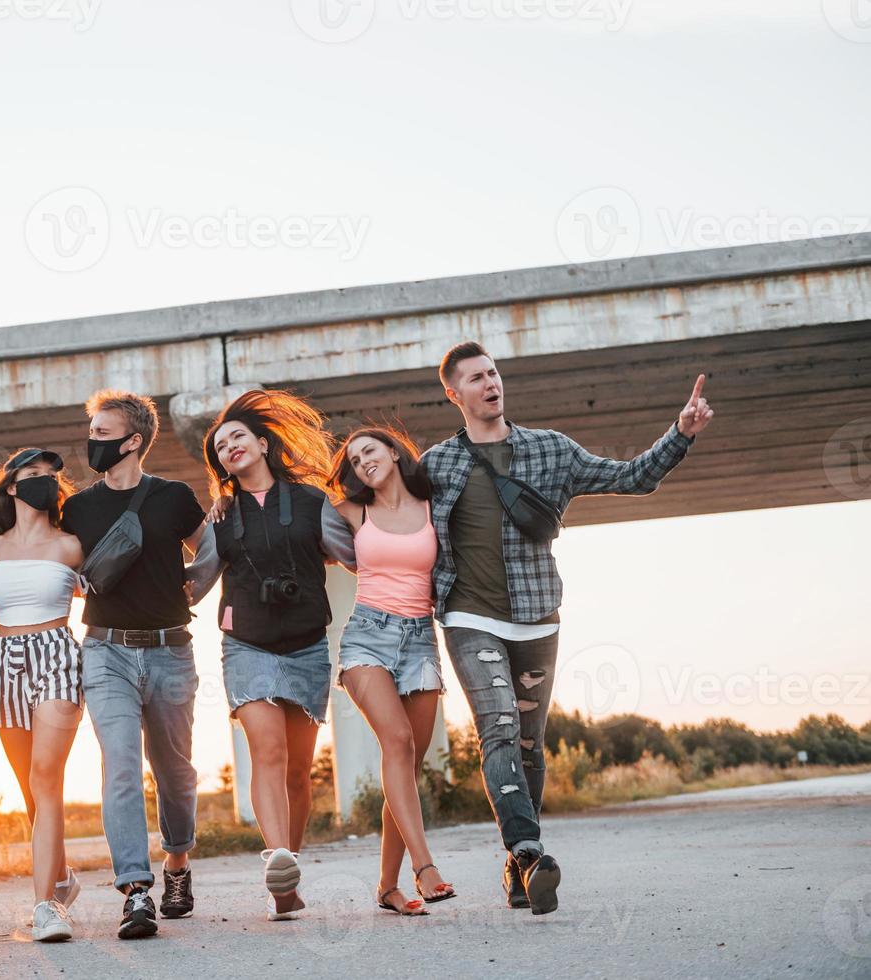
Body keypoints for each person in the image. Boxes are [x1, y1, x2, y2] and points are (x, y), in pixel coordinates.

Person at [425, 341, 714, 916]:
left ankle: (516, 866)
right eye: (476, 378)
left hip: (537, 617)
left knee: (531, 744)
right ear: (453, 394)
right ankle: (529, 850)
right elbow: (381, 511)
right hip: (467, 617)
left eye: (494, 373)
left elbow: (633, 478)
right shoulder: (436, 464)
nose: (490, 384)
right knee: (500, 727)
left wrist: (679, 434)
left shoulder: (551, 449)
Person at [190, 388, 355, 922]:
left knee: (298, 774)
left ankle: (288, 872)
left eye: (238, 436)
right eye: (220, 445)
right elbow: (196, 583)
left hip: (307, 644)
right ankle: (277, 857)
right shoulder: (222, 516)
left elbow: (354, 556)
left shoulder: (312, 502)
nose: (230, 446)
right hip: (247, 644)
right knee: (269, 752)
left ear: (262, 443)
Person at [60, 390, 207, 940]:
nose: (92, 442)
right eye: (92, 431)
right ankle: (136, 891)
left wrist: (197, 586)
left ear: (134, 441)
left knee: (176, 775)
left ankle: (176, 865)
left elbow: (209, 547)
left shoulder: (173, 497)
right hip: (105, 652)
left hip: (171, 652)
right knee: (119, 765)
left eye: (103, 434)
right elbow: (65, 564)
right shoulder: (76, 508)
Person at [330, 426, 452, 916]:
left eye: (369, 451)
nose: (363, 462)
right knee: (397, 743)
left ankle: (387, 888)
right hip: (366, 637)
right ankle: (425, 869)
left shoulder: (432, 507)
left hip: (421, 639)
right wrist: (228, 504)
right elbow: (287, 510)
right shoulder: (352, 511)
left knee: (405, 765)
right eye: (355, 460)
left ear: (395, 452)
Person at [0, 447, 85, 942]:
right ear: (12, 487)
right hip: (4, 659)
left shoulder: (71, 545)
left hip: (56, 653)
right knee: (29, 787)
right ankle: (61, 879)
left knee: (46, 777)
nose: (45, 481)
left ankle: (46, 906)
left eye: (51, 476)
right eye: (33, 475)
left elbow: (109, 590)